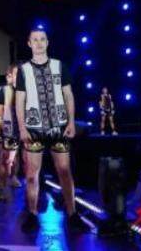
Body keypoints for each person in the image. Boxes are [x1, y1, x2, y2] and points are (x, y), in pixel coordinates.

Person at [15, 26, 90, 232]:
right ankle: (32, 214)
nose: (39, 43)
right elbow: (19, 101)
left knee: (64, 171)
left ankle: (72, 213)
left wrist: (71, 122)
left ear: (47, 42)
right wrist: (22, 128)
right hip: (34, 128)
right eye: (35, 39)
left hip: (59, 126)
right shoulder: (24, 70)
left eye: (42, 39)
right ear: (29, 44)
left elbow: (68, 95)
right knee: (32, 175)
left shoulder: (59, 66)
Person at [0, 64, 22, 202]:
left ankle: (14, 177)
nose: (15, 77)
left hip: (25, 130)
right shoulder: (3, 91)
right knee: (5, 159)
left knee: (19, 159)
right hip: (9, 130)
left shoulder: (26, 91)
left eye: (18, 74)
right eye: (13, 74)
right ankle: (2, 188)